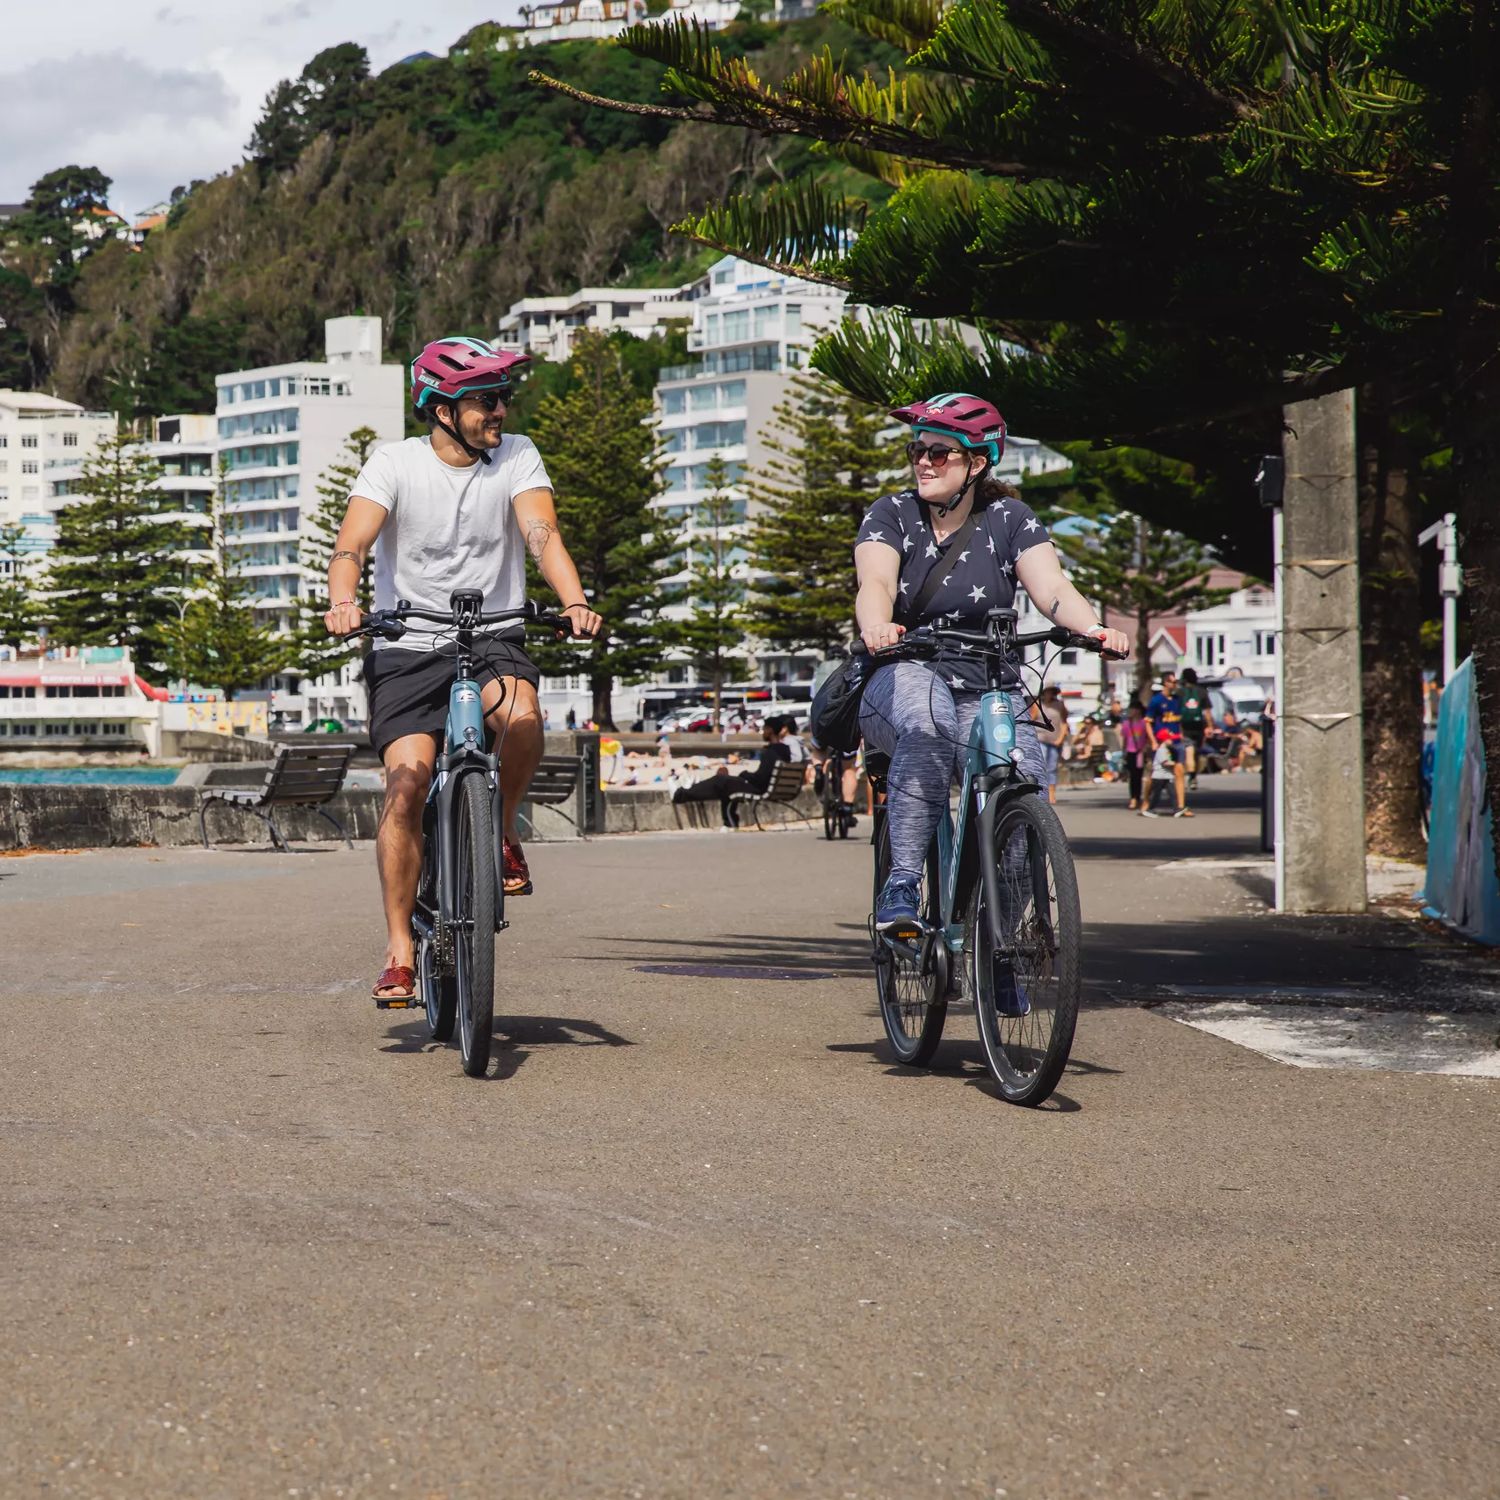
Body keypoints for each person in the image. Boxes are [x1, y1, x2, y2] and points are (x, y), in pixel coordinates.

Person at [324, 335, 603, 1006]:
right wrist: (343, 600)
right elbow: (351, 545)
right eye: (484, 400)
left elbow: (542, 536)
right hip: (407, 646)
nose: (499, 411)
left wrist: (574, 601)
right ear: (441, 407)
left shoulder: (518, 456)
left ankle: (501, 829)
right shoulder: (393, 463)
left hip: (494, 637)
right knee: (404, 790)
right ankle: (397, 951)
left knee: (525, 715)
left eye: (502, 398)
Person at [853, 391, 1129, 933]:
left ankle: (997, 938)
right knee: (927, 727)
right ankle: (903, 882)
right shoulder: (892, 513)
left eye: (941, 453)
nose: (924, 462)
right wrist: (877, 626)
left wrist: (1092, 627)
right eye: (918, 451)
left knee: (1026, 776)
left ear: (978, 463)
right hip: (907, 669)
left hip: (987, 686)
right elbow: (876, 581)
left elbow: (1052, 586)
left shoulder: (1010, 518)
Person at [671, 719, 790, 827]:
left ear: (770, 730)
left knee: (721, 781)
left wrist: (745, 774)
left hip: (759, 789)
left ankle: (680, 793)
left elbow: (761, 778)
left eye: (765, 729)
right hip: (769, 787)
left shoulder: (771, 752)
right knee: (724, 778)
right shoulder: (784, 750)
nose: (763, 732)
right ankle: (729, 821)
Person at [1032, 685, 1070, 805]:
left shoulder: (1060, 705)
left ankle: (1052, 793)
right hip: (1040, 738)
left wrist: (1061, 738)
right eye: (1047, 692)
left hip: (1054, 739)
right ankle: (1041, 792)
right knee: (1041, 766)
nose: (1049, 694)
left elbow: (1064, 722)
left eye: (1051, 692)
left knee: (1052, 767)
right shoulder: (1038, 704)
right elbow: (1031, 720)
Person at [1178, 667, 1214, 789]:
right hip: (1199, 727)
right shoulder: (1202, 692)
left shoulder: (1180, 692)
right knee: (1196, 753)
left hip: (1185, 726)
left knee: (1189, 751)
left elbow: (1176, 712)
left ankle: (1191, 775)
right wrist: (1210, 726)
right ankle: (1193, 776)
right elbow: (1207, 712)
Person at [1119, 700, 1155, 809]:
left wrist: (1147, 749)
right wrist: (1123, 752)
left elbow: (1148, 738)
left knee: (1140, 776)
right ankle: (1133, 798)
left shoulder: (1144, 723)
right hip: (1131, 752)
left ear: (1138, 710)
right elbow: (1124, 739)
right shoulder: (1126, 724)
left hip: (1141, 752)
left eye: (1133, 709)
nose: (1131, 711)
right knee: (1133, 776)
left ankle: (1140, 798)